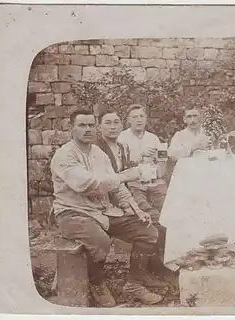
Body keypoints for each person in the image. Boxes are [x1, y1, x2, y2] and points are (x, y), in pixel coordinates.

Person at [50, 110, 163, 307]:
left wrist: (137, 210)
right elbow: (86, 185)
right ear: (71, 128)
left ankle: (134, 284)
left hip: (103, 211)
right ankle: (98, 284)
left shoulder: (98, 153)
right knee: (100, 240)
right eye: (82, 125)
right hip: (72, 212)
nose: (87, 130)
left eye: (90, 125)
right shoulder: (64, 155)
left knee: (148, 231)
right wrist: (125, 176)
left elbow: (117, 188)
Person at [94, 108, 174, 289]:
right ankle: (149, 270)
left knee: (157, 222)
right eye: (108, 123)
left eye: (116, 123)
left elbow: (125, 176)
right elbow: (108, 181)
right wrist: (131, 201)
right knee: (151, 222)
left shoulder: (121, 147)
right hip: (104, 204)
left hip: (123, 195)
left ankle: (148, 270)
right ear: (100, 127)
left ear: (121, 124)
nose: (113, 127)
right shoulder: (96, 149)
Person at [117, 104, 168, 239]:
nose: (139, 120)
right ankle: (156, 240)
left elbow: (161, 165)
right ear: (128, 120)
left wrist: (160, 158)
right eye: (135, 117)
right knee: (146, 209)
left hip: (154, 181)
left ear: (146, 119)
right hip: (134, 183)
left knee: (168, 206)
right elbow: (120, 165)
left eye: (141, 116)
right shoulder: (121, 138)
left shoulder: (153, 138)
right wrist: (140, 155)